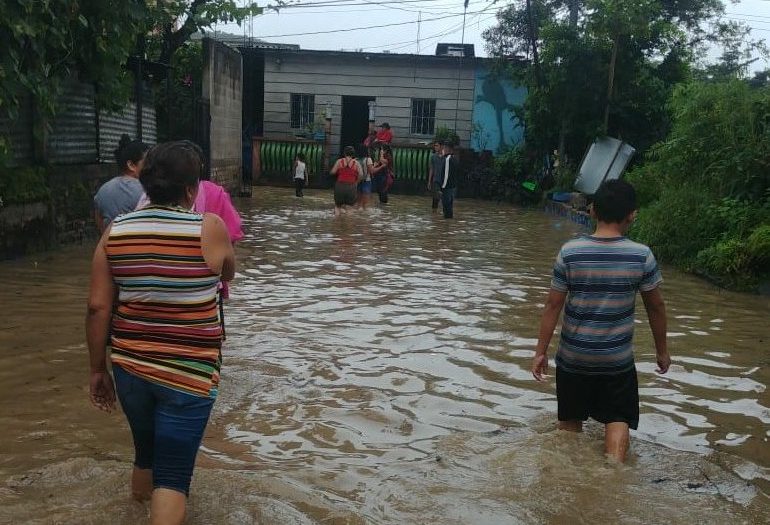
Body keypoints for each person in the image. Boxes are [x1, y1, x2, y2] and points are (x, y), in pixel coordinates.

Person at [86, 141, 236, 525]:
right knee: (173, 476)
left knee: (145, 455)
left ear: (146, 184)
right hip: (189, 373)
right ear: (191, 189)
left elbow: (98, 307)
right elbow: (228, 272)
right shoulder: (209, 227)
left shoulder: (116, 231)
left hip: (130, 368)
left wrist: (98, 370)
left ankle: (136, 514)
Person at [531, 179, 670, 463]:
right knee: (618, 418)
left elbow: (553, 305)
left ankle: (564, 474)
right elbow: (656, 307)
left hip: (573, 359)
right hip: (616, 362)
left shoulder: (570, 252)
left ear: (592, 211)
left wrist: (540, 352)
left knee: (570, 422)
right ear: (632, 215)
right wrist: (662, 351)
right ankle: (614, 472)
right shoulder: (641, 256)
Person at [93, 134, 149, 232]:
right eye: (147, 162)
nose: (151, 166)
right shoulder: (147, 191)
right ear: (131, 165)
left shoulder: (102, 190)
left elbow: (100, 224)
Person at [330, 146, 362, 216]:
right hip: (351, 186)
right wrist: (356, 182)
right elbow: (361, 175)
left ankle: (336, 220)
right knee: (349, 207)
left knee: (338, 206)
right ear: (353, 154)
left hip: (340, 185)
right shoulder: (356, 163)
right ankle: (348, 222)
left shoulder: (339, 161)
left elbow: (333, 172)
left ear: (344, 153)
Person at [440, 141, 459, 219]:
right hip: (452, 187)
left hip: (447, 187)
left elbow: (446, 175)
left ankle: (446, 223)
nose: (443, 149)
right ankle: (448, 224)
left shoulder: (448, 159)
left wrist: (442, 187)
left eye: (444, 148)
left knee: (446, 208)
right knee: (449, 208)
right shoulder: (454, 158)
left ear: (449, 149)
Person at [427, 140, 444, 213]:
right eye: (435, 146)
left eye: (437, 146)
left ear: (441, 146)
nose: (435, 147)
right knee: (435, 198)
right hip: (435, 180)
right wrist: (429, 181)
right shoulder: (433, 156)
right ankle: (434, 214)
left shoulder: (445, 157)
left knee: (443, 197)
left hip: (444, 180)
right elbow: (431, 169)